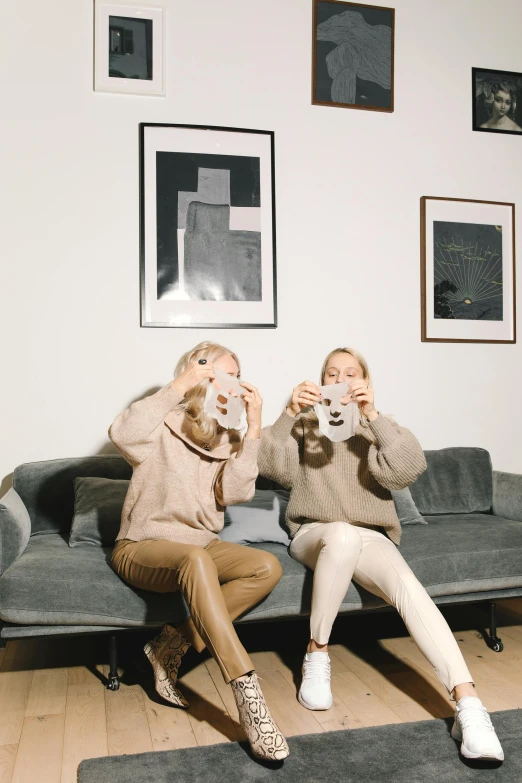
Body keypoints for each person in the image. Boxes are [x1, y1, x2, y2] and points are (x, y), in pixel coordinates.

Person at [259, 347, 504, 762]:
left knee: (408, 586)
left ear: (364, 383)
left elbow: (406, 469)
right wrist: (287, 413)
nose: (340, 378)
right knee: (339, 534)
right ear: (322, 384)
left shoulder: (380, 427)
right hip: (313, 533)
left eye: (350, 373)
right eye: (331, 373)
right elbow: (271, 470)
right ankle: (317, 655)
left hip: (370, 536)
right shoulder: (305, 424)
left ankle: (469, 706)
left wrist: (372, 417)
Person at [109, 341, 289, 761]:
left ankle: (167, 646)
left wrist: (255, 428)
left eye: (235, 374)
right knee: (195, 559)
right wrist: (181, 383)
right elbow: (122, 433)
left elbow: (237, 492)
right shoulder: (160, 422)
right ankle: (249, 697)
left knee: (266, 566)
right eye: (215, 371)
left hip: (202, 547)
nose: (228, 381)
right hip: (142, 546)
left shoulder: (228, 437)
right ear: (196, 373)